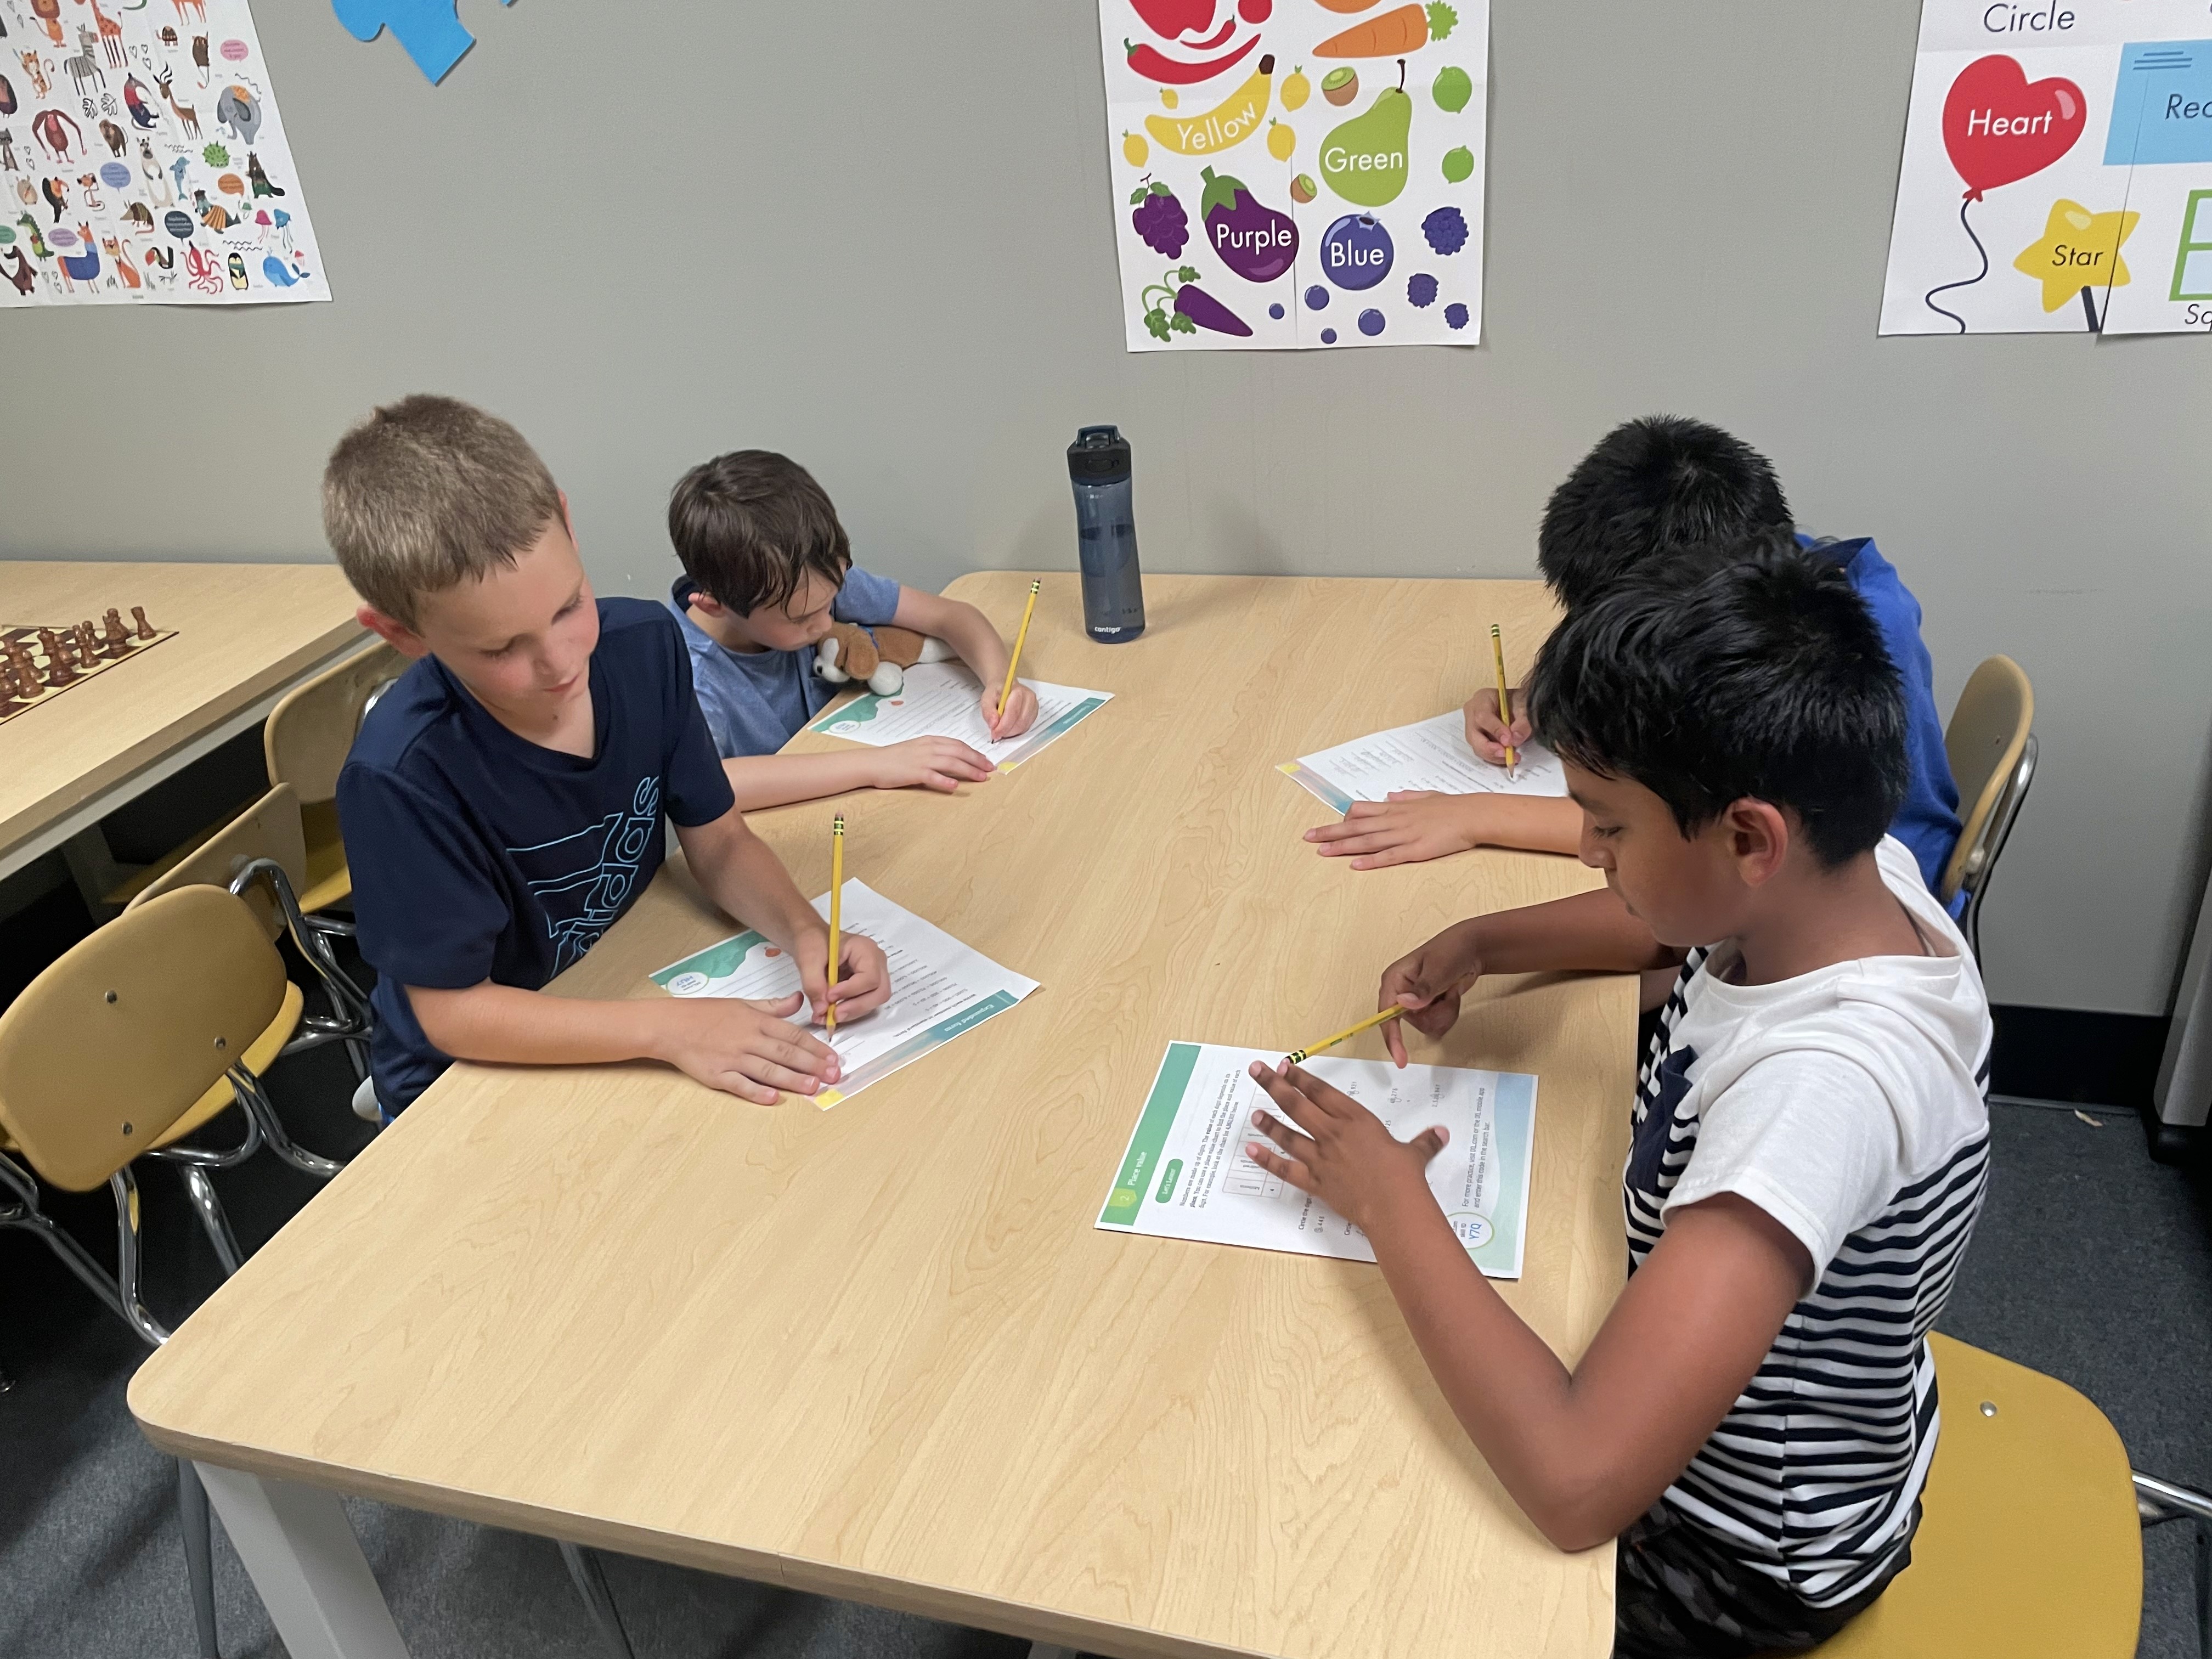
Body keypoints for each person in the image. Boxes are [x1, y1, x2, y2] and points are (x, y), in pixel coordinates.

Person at [1244, 544, 1990, 1657]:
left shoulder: (1822, 1090)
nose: (1586, 852)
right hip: (1781, 1418)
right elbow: (1670, 922)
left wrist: (1392, 1199)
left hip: (1739, 1560)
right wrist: (1487, 940)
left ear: (1748, 837)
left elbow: (1578, 1485)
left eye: (1608, 824)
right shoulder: (1851, 872)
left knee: (1321, 1540)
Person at [326, 396, 889, 1119]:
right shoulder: (401, 778)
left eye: (567, 607)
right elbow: (455, 1014)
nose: (561, 661)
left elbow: (717, 839)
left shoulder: (647, 647)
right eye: (501, 648)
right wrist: (670, 1030)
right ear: (401, 634)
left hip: (618, 982)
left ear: (567, 522)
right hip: (468, 1077)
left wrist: (808, 932)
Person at [1306, 416, 1964, 904]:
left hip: (1876, 886)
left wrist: (1477, 813)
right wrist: (1539, 694)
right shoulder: (1764, 565)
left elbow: (1697, 837)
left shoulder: (1828, 648)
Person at [664, 449, 1041, 810]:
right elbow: (713, 783)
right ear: (714, 605)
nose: (826, 623)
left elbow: (952, 617)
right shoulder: (686, 672)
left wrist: (1000, 680)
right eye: (801, 620)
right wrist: (874, 765)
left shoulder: (808, 582)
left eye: (830, 601)